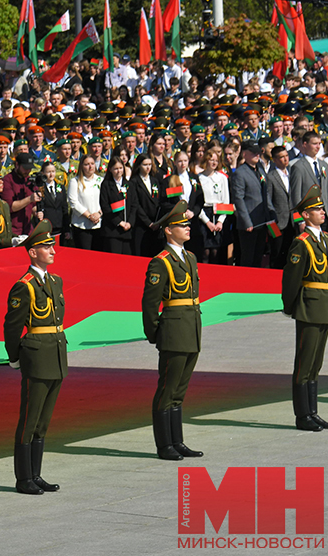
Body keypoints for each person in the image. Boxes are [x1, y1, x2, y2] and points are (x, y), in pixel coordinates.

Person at [3, 219, 66, 495]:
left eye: (52, 245)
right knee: (29, 421)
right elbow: (12, 326)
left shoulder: (55, 280)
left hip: (55, 354)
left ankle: (36, 474)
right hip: (36, 356)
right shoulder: (24, 286)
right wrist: (14, 357)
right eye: (46, 246)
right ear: (32, 252)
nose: (52, 250)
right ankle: (23, 477)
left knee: (43, 421)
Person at [142, 200, 204, 461]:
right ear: (168, 230)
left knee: (179, 391)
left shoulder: (190, 257)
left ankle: (177, 441)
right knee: (167, 390)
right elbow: (149, 303)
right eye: (181, 225)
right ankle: (164, 444)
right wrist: (155, 333)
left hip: (190, 329)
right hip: (173, 331)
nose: (187, 228)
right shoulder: (160, 262)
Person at [281, 185, 328, 432]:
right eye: (316, 209)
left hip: (324, 306)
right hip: (309, 307)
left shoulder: (327, 239)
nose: (322, 212)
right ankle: (303, 416)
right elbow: (291, 280)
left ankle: (313, 412)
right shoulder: (301, 243)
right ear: (305, 215)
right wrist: (290, 306)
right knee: (304, 364)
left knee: (315, 363)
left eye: (321, 208)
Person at [231, 141, 274, 268]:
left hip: (262, 220)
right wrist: (246, 222)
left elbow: (266, 193)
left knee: (258, 256)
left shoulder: (260, 169)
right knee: (248, 257)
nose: (257, 155)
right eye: (253, 153)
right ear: (244, 154)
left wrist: (271, 213)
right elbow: (238, 199)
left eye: (258, 153)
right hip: (249, 223)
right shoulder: (240, 173)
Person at [99, 155, 134, 254]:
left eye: (120, 168)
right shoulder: (106, 185)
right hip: (112, 230)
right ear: (110, 169)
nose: (118, 171)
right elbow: (105, 206)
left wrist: (129, 222)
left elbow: (133, 205)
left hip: (127, 230)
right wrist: (119, 222)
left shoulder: (129, 185)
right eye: (115, 169)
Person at [67, 153, 102, 250]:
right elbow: (73, 202)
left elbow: (105, 200)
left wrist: (98, 214)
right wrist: (89, 216)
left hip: (98, 224)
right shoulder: (75, 181)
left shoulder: (100, 180)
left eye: (92, 163)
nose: (90, 166)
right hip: (81, 225)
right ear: (82, 166)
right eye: (87, 164)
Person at [129, 154, 161, 257]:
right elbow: (136, 204)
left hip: (155, 224)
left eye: (150, 164)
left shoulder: (154, 181)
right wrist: (148, 222)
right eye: (145, 165)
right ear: (139, 165)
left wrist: (157, 222)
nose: (148, 167)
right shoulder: (134, 181)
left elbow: (158, 201)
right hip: (141, 224)